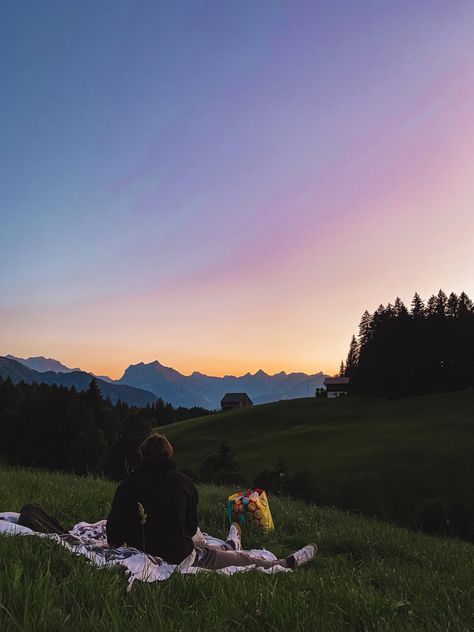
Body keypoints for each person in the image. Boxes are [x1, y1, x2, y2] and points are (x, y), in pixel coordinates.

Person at [106, 432, 317, 570]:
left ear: (142, 456)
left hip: (141, 551)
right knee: (241, 561)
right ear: (168, 455)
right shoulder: (184, 484)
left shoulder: (125, 487)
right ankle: (284, 564)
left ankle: (230, 545)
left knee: (202, 546)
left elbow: (114, 535)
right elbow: (190, 530)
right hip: (178, 556)